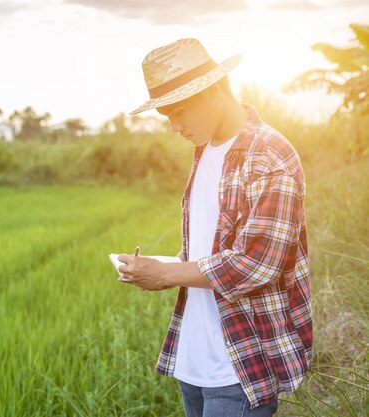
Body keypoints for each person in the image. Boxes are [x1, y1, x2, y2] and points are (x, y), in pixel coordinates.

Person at [117, 38, 312, 417]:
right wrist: (161, 267)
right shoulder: (205, 149)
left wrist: (168, 274)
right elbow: (210, 248)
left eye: (179, 111)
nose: (174, 126)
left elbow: (256, 263)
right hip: (194, 358)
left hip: (239, 364)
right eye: (165, 116)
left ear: (215, 89)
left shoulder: (268, 154)